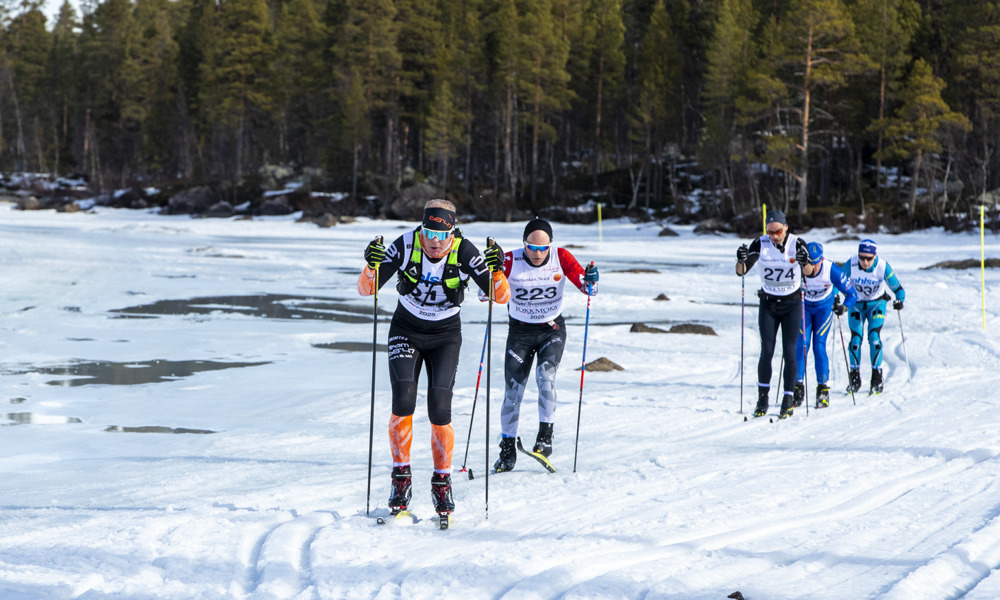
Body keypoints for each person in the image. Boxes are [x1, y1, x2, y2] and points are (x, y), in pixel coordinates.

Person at [357, 199, 510, 519]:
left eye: (442, 235)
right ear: (422, 229)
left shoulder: (465, 251)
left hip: (445, 335)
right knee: (403, 399)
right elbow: (366, 290)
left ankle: (442, 482)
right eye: (429, 233)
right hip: (406, 329)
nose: (435, 242)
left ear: (452, 232)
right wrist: (371, 266)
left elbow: (500, 297)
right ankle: (401, 479)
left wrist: (497, 270)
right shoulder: (405, 244)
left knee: (440, 409)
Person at [493, 218, 599, 472]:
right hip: (519, 333)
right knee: (513, 392)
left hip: (551, 330)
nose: (538, 253)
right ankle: (507, 450)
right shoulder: (510, 260)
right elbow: (486, 295)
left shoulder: (561, 257)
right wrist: (494, 273)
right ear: (524, 243)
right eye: (532, 247)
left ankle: (545, 438)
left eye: (543, 248)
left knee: (545, 378)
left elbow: (588, 289)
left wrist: (592, 280)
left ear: (551, 245)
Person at [735, 210, 816, 419]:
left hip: (792, 305)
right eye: (770, 232)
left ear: (786, 227)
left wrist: (804, 262)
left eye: (778, 231)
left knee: (789, 351)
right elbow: (742, 270)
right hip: (768, 305)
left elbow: (810, 272)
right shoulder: (760, 244)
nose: (774, 236)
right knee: (767, 351)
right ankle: (763, 398)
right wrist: (740, 259)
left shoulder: (797, 243)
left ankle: (788, 399)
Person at [794, 242, 859, 408]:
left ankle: (823, 389)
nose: (814, 267)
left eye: (817, 263)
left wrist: (844, 307)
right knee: (802, 344)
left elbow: (852, 294)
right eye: (811, 263)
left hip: (824, 308)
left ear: (822, 260)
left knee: (818, 346)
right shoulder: (799, 267)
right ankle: (797, 386)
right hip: (805, 307)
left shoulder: (831, 270)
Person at [841, 239, 905, 395]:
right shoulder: (851, 264)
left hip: (877, 304)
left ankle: (877, 378)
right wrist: (836, 298)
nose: (865, 262)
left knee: (874, 338)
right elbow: (837, 282)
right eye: (862, 257)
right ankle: (854, 378)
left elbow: (898, 289)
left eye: (869, 258)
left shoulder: (882, 266)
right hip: (856, 304)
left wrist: (899, 300)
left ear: (875, 256)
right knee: (855, 340)